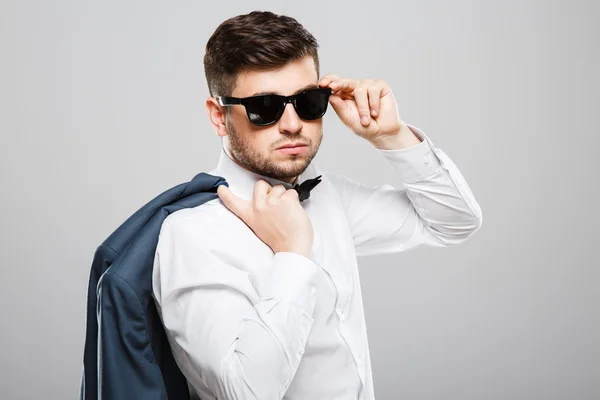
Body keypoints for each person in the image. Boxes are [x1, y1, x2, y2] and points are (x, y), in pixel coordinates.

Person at [151, 10, 482, 400]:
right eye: (265, 107)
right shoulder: (192, 235)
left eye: (308, 102)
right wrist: (292, 253)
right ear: (219, 116)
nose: (292, 124)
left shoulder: (328, 196)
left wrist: (391, 136)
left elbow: (454, 222)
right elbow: (243, 390)